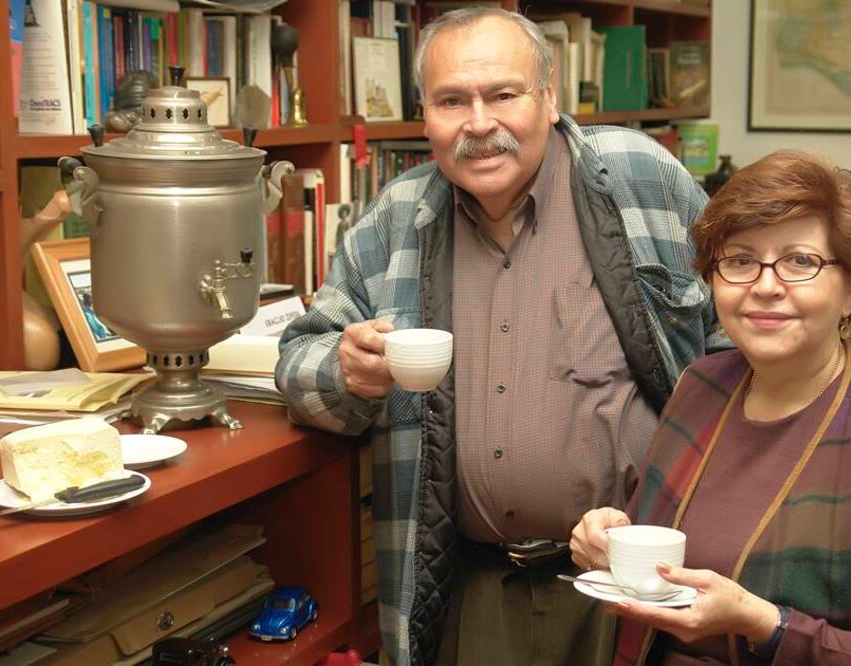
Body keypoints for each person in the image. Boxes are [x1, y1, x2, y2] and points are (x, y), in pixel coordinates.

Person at [275, 8, 725, 666]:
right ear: (424, 113)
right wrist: (344, 372)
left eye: (503, 95)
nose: (478, 124)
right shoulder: (397, 217)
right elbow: (296, 364)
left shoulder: (642, 180)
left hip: (637, 581)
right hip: (470, 587)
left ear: (548, 98)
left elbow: (733, 342)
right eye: (451, 100)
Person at [570, 150, 851, 665]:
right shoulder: (701, 388)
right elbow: (661, 553)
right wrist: (612, 540)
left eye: (799, 262)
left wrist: (766, 625)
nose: (765, 286)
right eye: (740, 260)